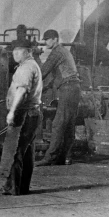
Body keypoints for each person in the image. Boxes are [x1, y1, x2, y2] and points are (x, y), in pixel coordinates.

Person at [0, 39, 43, 196]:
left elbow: (21, 91)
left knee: (16, 150)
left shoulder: (26, 68)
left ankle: (13, 188)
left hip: (24, 113)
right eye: (13, 51)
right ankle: (21, 187)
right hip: (33, 113)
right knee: (26, 151)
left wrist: (12, 111)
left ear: (28, 52)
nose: (15, 54)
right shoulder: (32, 65)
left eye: (19, 51)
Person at [36, 29, 82, 167]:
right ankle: (64, 157)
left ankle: (49, 158)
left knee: (58, 123)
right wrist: (43, 88)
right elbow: (55, 76)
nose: (45, 42)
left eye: (47, 39)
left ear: (55, 39)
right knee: (68, 126)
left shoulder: (57, 52)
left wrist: (29, 85)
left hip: (68, 89)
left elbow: (43, 71)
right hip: (73, 88)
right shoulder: (63, 51)